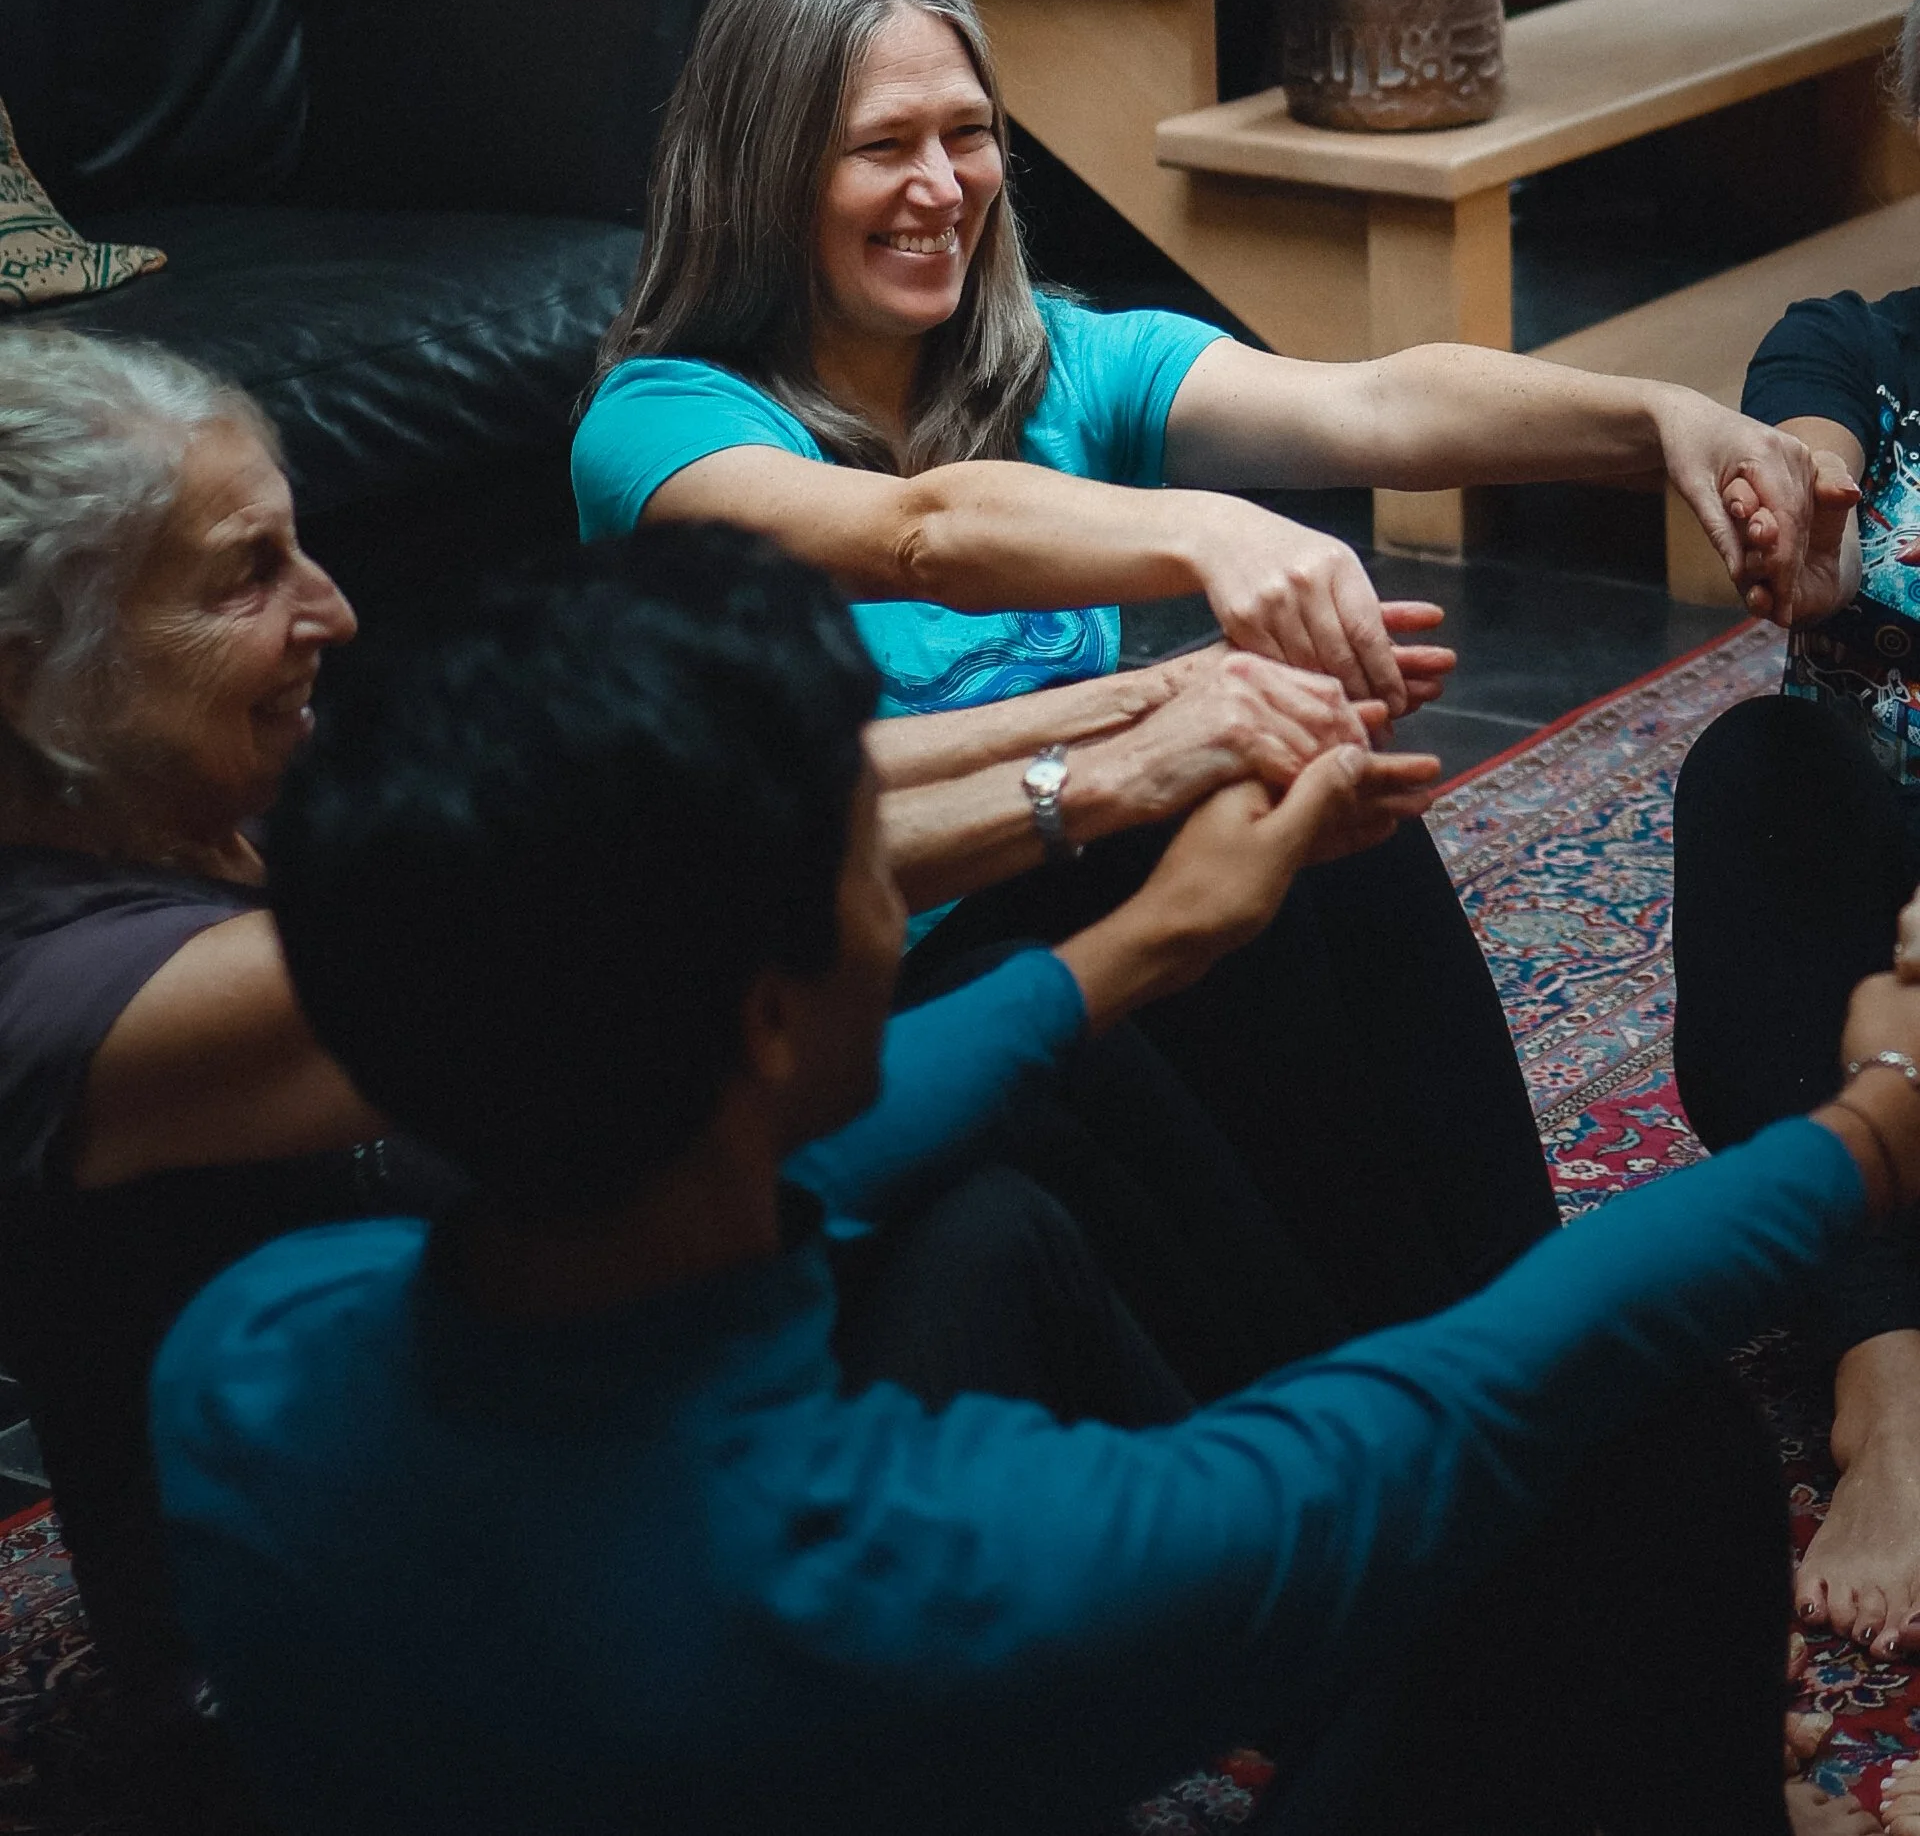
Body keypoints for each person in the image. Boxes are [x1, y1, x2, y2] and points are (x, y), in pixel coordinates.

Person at [153, 527, 1920, 1836]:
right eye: (863, 846)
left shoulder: (249, 1350)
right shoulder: (940, 1567)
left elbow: (812, 1158)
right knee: (1643, 1453)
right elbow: (1459, 1395)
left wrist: (1145, 941)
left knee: (993, 1225)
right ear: (769, 1013)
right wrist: (1871, 1124)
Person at [0, 328, 1386, 1803]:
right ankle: (1320, 1586)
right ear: (29, 677)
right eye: (244, 573)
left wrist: (1151, 708)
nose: (332, 611)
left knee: (1019, 1139)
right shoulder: (62, 999)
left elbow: (691, 797)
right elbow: (611, 887)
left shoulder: (188, 784)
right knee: (1008, 1151)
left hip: (533, 1403)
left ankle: (1320, 1559)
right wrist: (1101, 791)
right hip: (420, 1619)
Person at [571, 0, 1853, 1369]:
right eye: (883, 147)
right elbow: (919, 528)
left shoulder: (1047, 359)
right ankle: (1346, 1397)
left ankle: (1523, 1324)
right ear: (769, 169)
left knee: (1318, 796)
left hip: (1102, 883)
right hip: (882, 973)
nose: (941, 187)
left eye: (968, 135)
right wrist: (1209, 533)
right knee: (1190, 821)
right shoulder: (661, 426)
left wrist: (1654, 420)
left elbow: (1371, 406)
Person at [1670, 0, 1920, 1663]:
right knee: (1755, 769)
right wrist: (1804, 500)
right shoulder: (1858, 343)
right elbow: (1803, 432)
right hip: (1869, 1033)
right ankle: (1884, 1388)